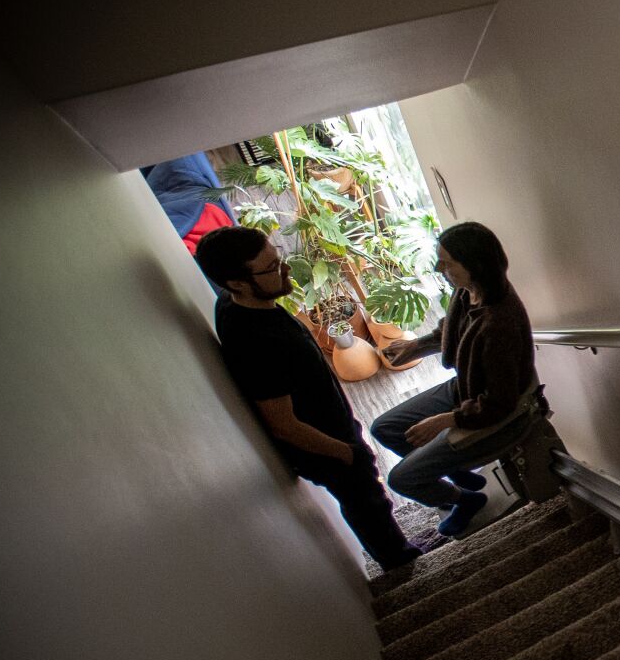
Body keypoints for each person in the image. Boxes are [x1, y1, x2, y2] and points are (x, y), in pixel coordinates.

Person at [194, 226, 431, 571]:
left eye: (277, 258)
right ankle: (402, 564)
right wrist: (345, 452)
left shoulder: (239, 304)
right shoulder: (255, 342)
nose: (286, 269)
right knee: (367, 501)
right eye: (272, 268)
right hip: (326, 446)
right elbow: (284, 424)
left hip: (334, 429)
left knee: (368, 498)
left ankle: (397, 548)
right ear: (237, 283)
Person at [373, 221, 538, 538]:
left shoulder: (498, 324)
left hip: (493, 415)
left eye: (447, 262)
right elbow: (451, 330)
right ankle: (458, 472)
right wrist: (416, 346)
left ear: (474, 264)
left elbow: (500, 403)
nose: (438, 268)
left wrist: (445, 421)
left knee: (401, 480)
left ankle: (465, 500)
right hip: (466, 391)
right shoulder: (469, 291)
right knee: (385, 428)